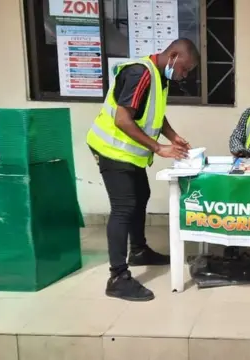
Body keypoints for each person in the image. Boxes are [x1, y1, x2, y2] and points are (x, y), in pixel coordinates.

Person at [86, 39, 200, 301]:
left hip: (130, 154)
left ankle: (138, 250)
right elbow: (123, 119)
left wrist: (172, 136)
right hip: (112, 150)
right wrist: (159, 148)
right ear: (173, 55)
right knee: (124, 206)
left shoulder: (160, 76)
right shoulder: (140, 73)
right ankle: (117, 277)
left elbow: (154, 114)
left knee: (142, 195)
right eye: (185, 69)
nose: (184, 75)